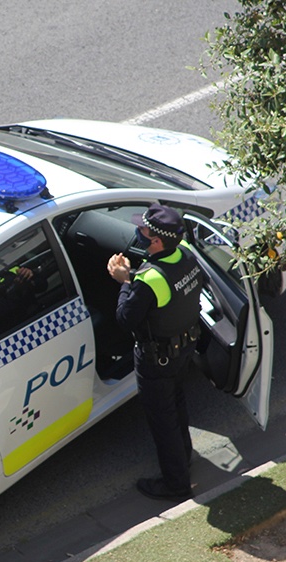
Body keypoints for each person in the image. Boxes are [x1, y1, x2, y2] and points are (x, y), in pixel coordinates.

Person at [106, 204, 204, 501]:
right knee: (175, 404)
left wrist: (124, 281)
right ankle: (183, 457)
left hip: (157, 359)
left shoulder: (149, 280)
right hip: (184, 347)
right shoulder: (186, 252)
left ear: (157, 241)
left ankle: (176, 484)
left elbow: (125, 318)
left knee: (163, 420)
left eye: (144, 231)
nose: (139, 233)